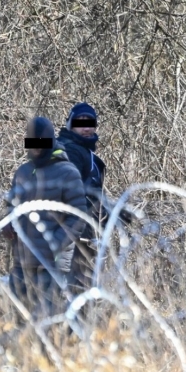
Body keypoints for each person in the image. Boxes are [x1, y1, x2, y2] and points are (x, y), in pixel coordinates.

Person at [3, 117, 87, 319]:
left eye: (41, 141)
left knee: (48, 325)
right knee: (20, 322)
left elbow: (78, 217)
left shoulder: (68, 172)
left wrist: (53, 245)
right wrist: (8, 223)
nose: (37, 148)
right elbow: (11, 204)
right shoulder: (23, 171)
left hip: (52, 265)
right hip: (21, 262)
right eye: (33, 142)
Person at [56, 102, 127, 290]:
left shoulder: (84, 152)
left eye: (90, 123)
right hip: (71, 233)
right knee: (74, 289)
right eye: (80, 123)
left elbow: (91, 193)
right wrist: (111, 211)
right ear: (70, 124)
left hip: (82, 232)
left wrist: (110, 213)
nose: (86, 128)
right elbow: (76, 191)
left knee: (79, 288)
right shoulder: (70, 151)